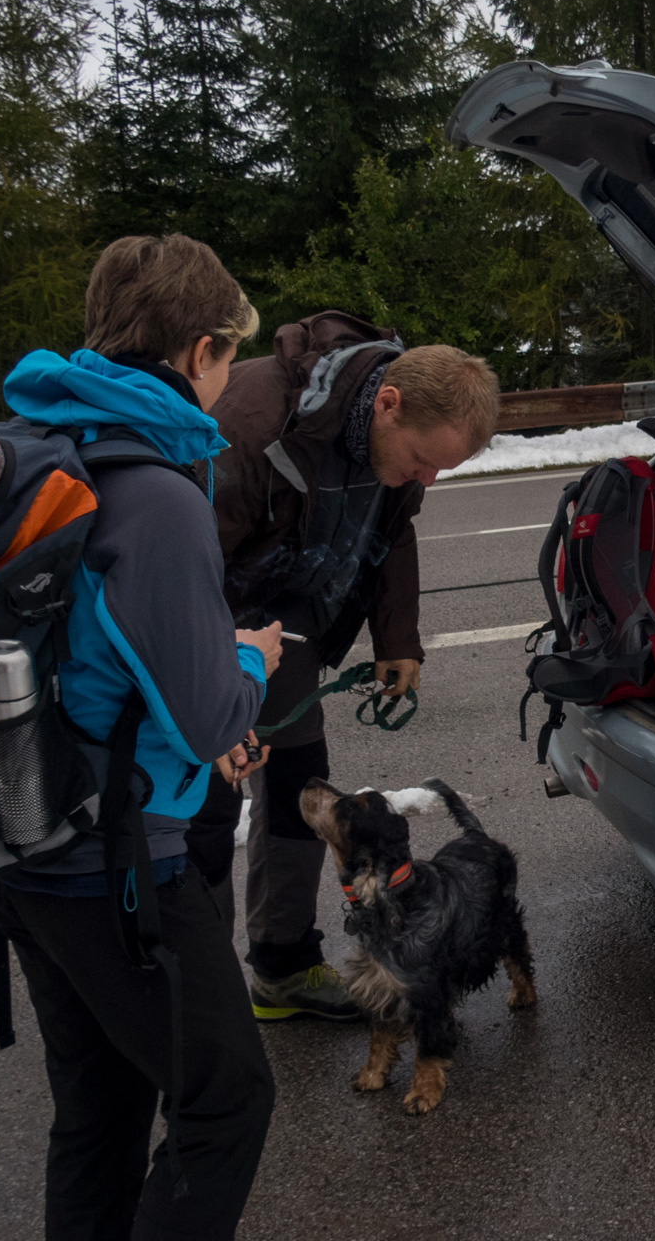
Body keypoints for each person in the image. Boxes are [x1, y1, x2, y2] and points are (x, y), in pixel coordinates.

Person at [0, 234, 282, 1240]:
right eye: (229, 354)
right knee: (226, 1098)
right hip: (113, 868)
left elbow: (89, 659)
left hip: (16, 837)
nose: (227, 374)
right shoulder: (152, 491)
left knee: (101, 1107)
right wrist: (250, 660)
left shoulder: (33, 447)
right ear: (199, 350)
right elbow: (207, 714)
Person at [187, 312, 500, 1021]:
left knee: (299, 786)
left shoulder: (396, 443)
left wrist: (398, 640)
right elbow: (181, 569)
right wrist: (212, 687)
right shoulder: (250, 418)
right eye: (424, 460)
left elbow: (394, 533)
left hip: (291, 622)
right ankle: (193, 992)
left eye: (438, 471)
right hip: (209, 621)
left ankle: (282, 967)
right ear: (387, 403)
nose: (424, 478)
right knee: (202, 800)